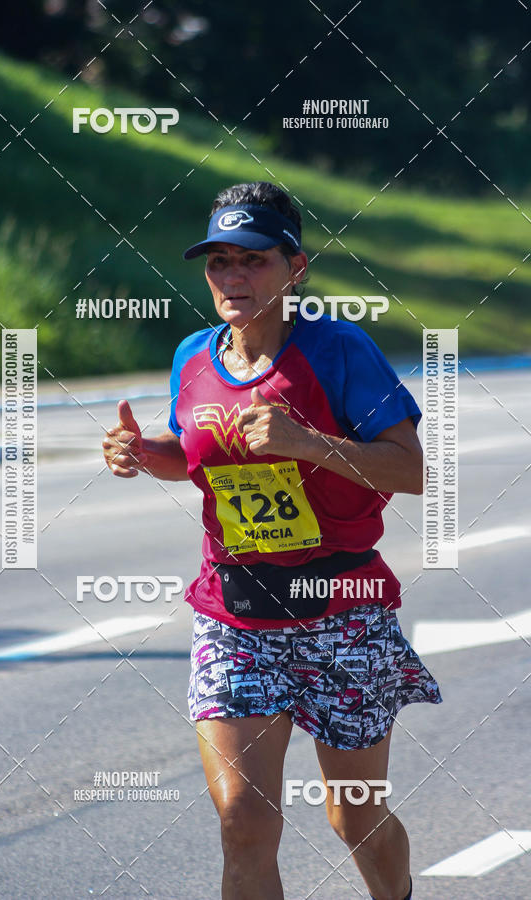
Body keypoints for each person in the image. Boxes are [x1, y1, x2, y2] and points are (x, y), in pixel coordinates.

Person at [102, 181, 442, 900]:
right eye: (219, 262)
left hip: (342, 611)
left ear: (296, 268)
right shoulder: (194, 356)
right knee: (243, 821)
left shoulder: (339, 349)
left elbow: (413, 471)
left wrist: (307, 442)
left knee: (356, 817)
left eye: (253, 260)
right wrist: (144, 453)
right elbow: (198, 454)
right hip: (236, 615)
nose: (234, 277)